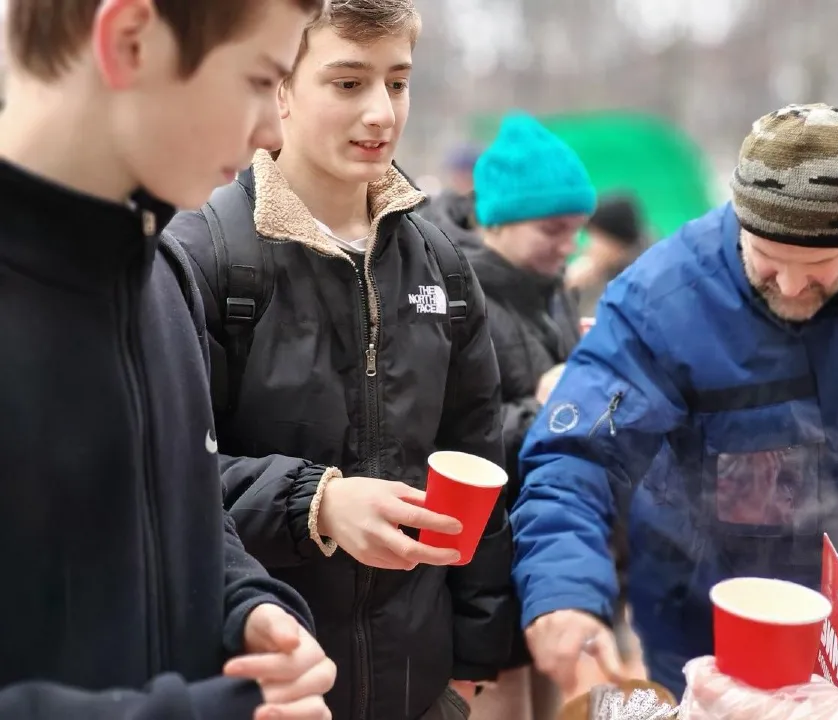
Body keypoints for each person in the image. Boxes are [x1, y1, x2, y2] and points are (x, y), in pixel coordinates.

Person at [509, 103, 838, 700]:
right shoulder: (661, 299)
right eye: (769, 263)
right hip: (701, 619)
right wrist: (564, 591)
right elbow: (573, 457)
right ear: (741, 222)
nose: (795, 287)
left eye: (821, 266)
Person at [165, 1, 516, 719]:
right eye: (349, 83)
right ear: (281, 87)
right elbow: (168, 481)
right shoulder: (204, 257)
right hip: (268, 684)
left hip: (421, 686)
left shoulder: (442, 264)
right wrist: (317, 503)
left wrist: (476, 656)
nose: (382, 113)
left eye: (398, 82)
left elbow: (477, 458)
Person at [0, 0, 336, 718]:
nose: (273, 131)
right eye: (259, 79)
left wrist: (243, 604)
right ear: (130, 41)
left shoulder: (160, 275)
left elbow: (180, 500)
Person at [423, 112, 595, 720]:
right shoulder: (454, 293)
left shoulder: (548, 287)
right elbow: (448, 438)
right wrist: (544, 405)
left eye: (576, 230)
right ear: (498, 218)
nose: (569, 245)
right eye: (553, 228)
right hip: (482, 558)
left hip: (542, 539)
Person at [566, 193, 650, 316]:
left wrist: (566, 288)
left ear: (616, 243)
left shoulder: (644, 282)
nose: (587, 247)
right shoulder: (605, 272)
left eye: (595, 238)